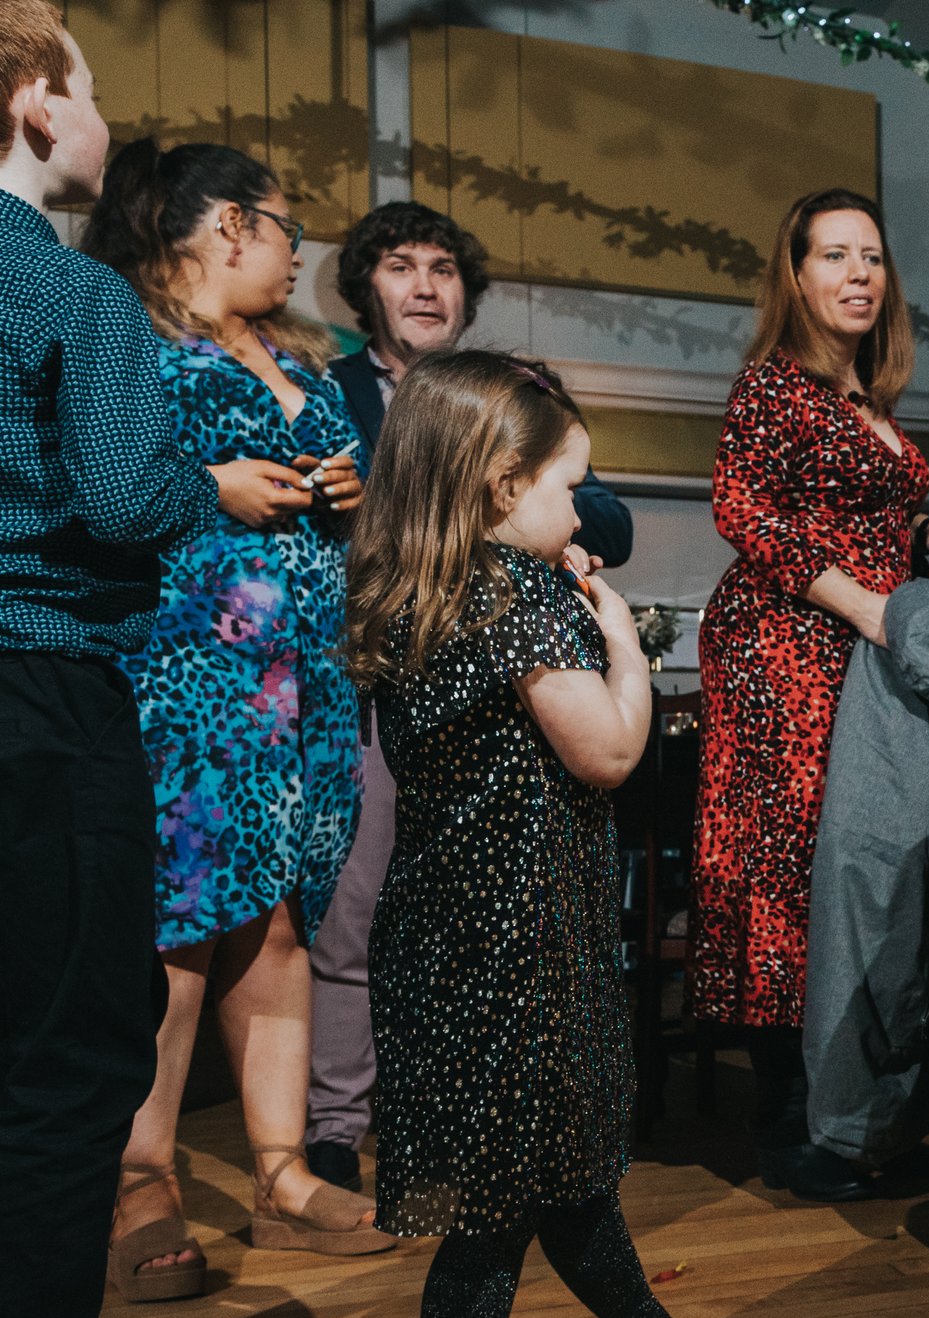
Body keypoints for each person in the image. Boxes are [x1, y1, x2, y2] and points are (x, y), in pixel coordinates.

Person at [348, 350, 755, 1318]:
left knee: (563, 1161)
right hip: (513, 945)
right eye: (569, 485)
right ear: (496, 485)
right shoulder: (519, 596)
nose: (584, 511)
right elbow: (612, 751)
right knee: (496, 1202)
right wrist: (622, 635)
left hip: (451, 934)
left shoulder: (416, 591)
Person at [0, 0, 224, 1318]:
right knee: (66, 1054)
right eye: (91, 93)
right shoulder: (68, 294)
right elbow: (133, 498)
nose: (107, 124)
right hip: (35, 693)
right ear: (30, 108)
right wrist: (219, 489)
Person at [81, 138, 389, 1298]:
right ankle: (140, 1174)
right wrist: (213, 486)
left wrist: (350, 494)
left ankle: (280, 1171)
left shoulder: (294, 354)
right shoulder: (129, 336)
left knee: (277, 921)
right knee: (178, 928)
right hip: (191, 672)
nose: (295, 249)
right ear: (223, 226)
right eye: (284, 227)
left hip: (302, 677)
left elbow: (340, 483)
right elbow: (101, 483)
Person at [300, 200, 636, 1195]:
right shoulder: (331, 392)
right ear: (367, 287)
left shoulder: (506, 396)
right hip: (379, 675)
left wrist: (538, 514)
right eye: (401, 266)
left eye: (441, 267)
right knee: (361, 910)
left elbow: (601, 509)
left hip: (496, 684)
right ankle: (340, 1120)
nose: (423, 285)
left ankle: (467, 1114)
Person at [694, 187, 929, 1197]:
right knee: (797, 882)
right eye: (835, 255)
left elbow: (866, 508)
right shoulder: (773, 386)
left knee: (871, 879)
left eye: (873, 257)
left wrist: (924, 536)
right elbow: (745, 510)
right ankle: (796, 1129)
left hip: (867, 653)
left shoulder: (868, 402)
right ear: (797, 275)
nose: (859, 272)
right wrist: (862, 601)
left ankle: (871, 1119)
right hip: (786, 656)